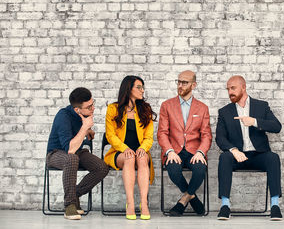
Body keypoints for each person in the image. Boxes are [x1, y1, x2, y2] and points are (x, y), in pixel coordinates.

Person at [216, 75, 283, 221]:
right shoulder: (225, 112)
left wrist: (254, 121)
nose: (230, 92)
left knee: (273, 157)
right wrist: (234, 150)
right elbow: (220, 138)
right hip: (237, 156)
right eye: (228, 89)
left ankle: (275, 206)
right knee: (224, 157)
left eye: (233, 88)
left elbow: (277, 127)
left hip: (258, 155)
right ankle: (225, 206)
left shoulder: (261, 106)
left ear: (243, 87)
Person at [46, 87, 109, 220]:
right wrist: (85, 127)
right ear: (77, 109)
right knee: (72, 158)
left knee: (101, 167)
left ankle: (73, 195)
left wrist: (87, 131)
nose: (93, 109)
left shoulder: (83, 115)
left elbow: (77, 142)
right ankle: (69, 205)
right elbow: (70, 149)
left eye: (93, 104)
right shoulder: (63, 116)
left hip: (76, 152)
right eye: (89, 107)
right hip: (56, 153)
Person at [158, 70, 212, 216]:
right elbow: (162, 133)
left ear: (193, 85)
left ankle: (183, 200)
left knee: (200, 170)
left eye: (185, 82)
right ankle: (193, 199)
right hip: (174, 150)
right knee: (173, 171)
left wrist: (201, 152)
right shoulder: (166, 105)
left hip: (194, 151)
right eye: (179, 82)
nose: (180, 85)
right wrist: (169, 152)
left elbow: (206, 135)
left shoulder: (202, 108)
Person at [104, 75, 157, 220]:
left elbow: (149, 137)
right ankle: (130, 203)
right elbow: (110, 135)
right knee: (129, 157)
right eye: (138, 87)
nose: (142, 90)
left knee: (140, 158)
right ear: (128, 89)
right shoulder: (113, 109)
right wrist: (124, 148)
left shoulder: (145, 109)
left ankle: (144, 203)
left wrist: (143, 148)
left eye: (143, 87)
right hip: (120, 152)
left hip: (140, 151)